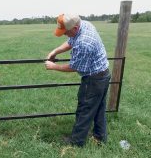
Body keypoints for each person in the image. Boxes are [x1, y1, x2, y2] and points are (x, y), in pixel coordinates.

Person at [45, 14, 111, 147]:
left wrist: (54, 66)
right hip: (103, 74)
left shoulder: (84, 42)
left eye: (65, 32)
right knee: (98, 107)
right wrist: (55, 51)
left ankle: (76, 142)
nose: (64, 35)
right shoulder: (84, 24)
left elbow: (75, 66)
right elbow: (71, 40)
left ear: (74, 28)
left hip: (94, 79)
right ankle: (100, 137)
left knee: (84, 109)